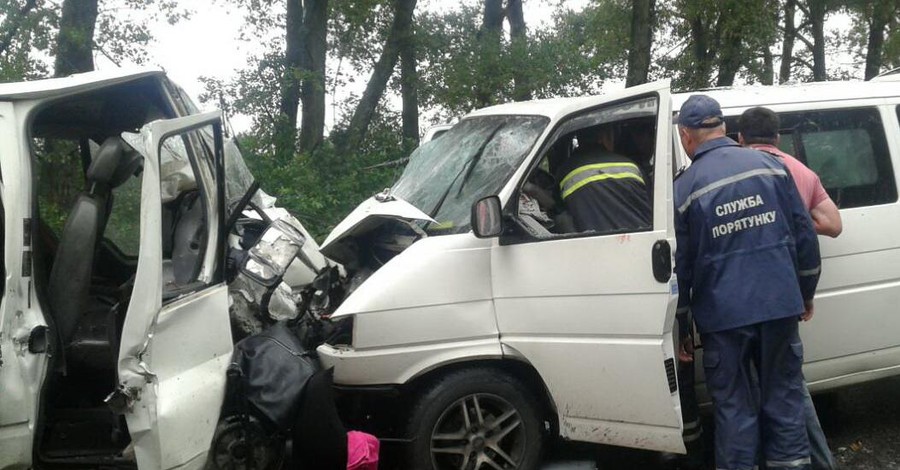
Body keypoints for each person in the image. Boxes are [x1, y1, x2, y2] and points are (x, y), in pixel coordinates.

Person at [673, 95, 821, 470]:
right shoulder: (771, 166)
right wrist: (806, 292)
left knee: (734, 408)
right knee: (785, 398)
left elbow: (682, 266)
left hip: (724, 318)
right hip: (778, 305)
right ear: (724, 128)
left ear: (686, 135)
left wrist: (682, 323)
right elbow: (804, 236)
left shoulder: (684, 188)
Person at [739, 106, 842, 470]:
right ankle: (816, 460)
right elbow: (832, 223)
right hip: (786, 291)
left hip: (739, 295)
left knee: (749, 386)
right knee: (788, 385)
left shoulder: (736, 168)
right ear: (778, 137)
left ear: (740, 137)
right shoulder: (799, 170)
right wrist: (796, 226)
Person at [556, 125, 651, 233]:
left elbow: (558, 210)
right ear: (605, 137)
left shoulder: (565, 171)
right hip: (640, 241)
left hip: (593, 245)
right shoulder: (632, 166)